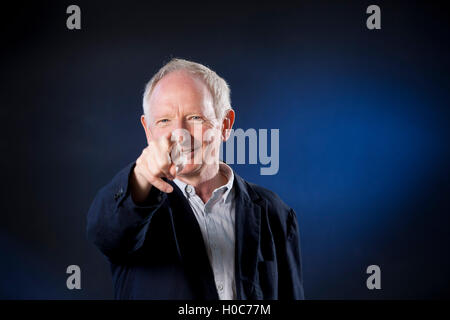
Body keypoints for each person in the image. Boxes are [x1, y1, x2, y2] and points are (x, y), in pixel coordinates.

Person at [86, 58, 305, 300]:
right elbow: (104, 232)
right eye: (164, 121)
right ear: (148, 131)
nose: (180, 134)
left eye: (195, 118)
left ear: (225, 124)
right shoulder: (134, 208)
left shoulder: (274, 213)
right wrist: (140, 177)